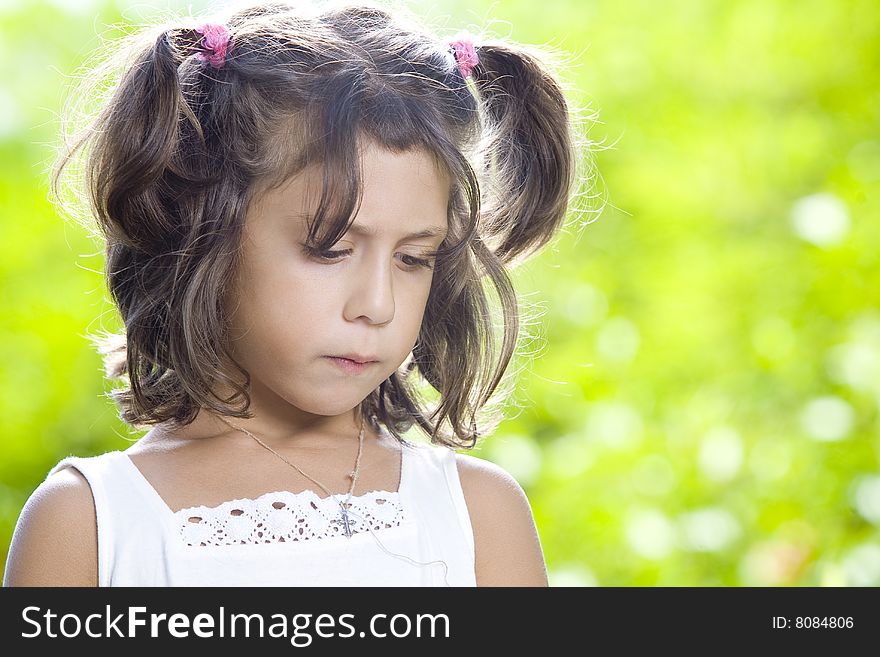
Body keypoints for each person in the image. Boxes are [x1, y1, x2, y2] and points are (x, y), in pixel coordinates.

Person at [4, 0, 594, 586]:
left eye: (414, 258)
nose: (378, 304)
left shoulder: (478, 515)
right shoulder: (90, 525)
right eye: (329, 248)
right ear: (204, 229)